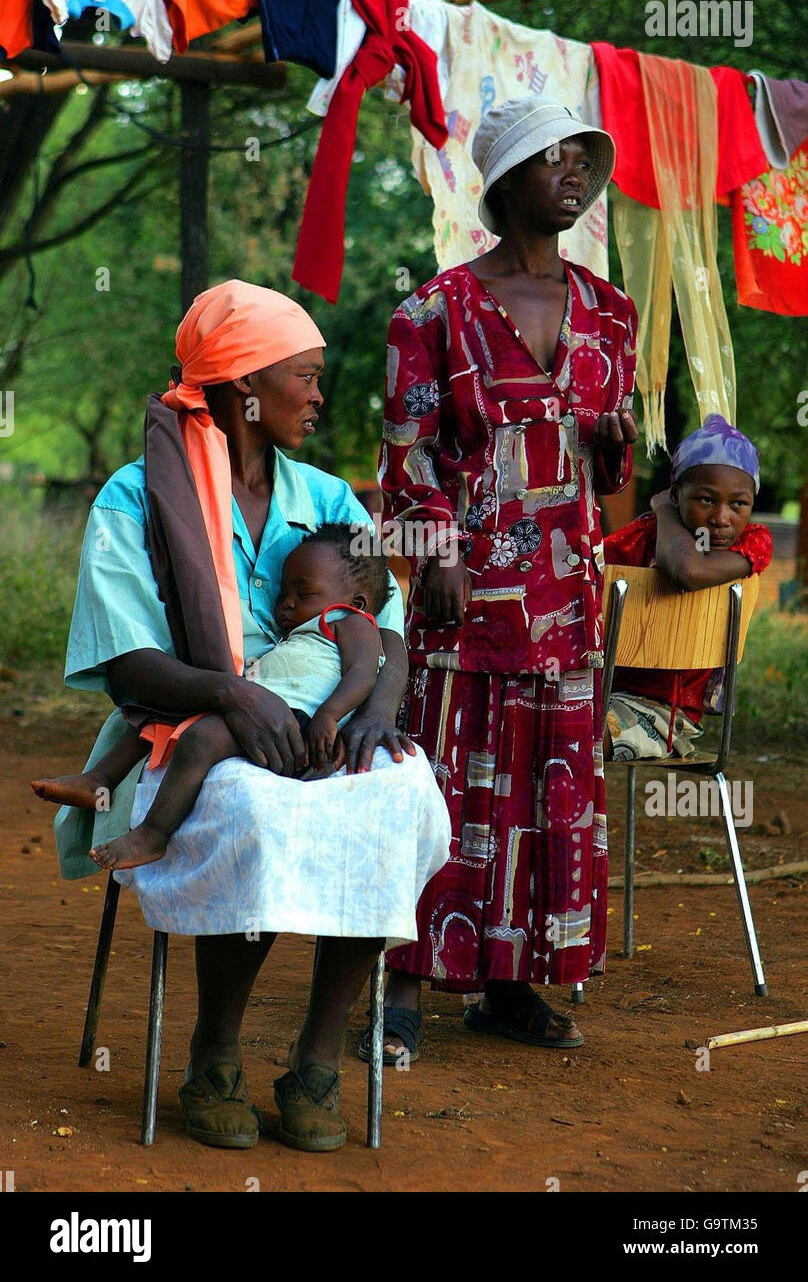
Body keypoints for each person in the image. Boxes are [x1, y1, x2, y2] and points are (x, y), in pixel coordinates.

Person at [51, 280, 450, 1152]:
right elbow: (126, 660)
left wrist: (375, 716)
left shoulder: (331, 501)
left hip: (328, 720)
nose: (318, 395)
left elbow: (384, 627)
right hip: (188, 733)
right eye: (304, 377)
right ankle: (216, 1053)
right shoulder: (135, 497)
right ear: (244, 392)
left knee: (396, 794)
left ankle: (315, 1061)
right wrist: (235, 693)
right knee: (247, 805)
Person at [367, 98, 638, 1065]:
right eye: (550, 160)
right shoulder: (430, 313)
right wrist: (432, 551)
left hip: (568, 599)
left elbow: (610, 473)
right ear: (504, 184)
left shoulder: (613, 313)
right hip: (466, 595)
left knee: (546, 794)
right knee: (445, 790)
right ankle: (400, 986)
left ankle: (511, 985)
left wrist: (610, 448)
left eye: (581, 161)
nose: (572, 175)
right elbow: (408, 455)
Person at [34, 523, 391, 870]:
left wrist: (328, 717)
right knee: (164, 710)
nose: (286, 605)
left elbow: (362, 673)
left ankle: (153, 835)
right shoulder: (302, 631)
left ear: (356, 601)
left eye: (303, 593)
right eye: (284, 594)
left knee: (202, 739)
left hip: (296, 724)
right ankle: (101, 778)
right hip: (261, 706)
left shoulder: (352, 623)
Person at [603, 414, 773, 761]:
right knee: (546, 721)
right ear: (678, 493)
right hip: (601, 691)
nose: (722, 518)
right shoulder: (643, 538)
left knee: (576, 738)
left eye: (738, 504)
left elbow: (688, 570)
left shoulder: (755, 541)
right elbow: (589, 572)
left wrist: (664, 510)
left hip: (667, 716)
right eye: (706, 500)